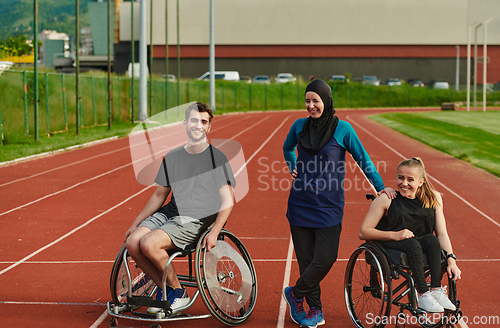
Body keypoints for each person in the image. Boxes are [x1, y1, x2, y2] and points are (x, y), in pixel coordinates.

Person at [282, 79, 396, 327]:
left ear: (327, 100)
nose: (311, 106)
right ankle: (315, 310)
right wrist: (292, 167)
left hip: (329, 206)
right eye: (307, 101)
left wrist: (380, 188)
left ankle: (294, 294)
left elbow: (363, 159)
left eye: (316, 101)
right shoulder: (299, 126)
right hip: (300, 204)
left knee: (325, 258)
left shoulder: (343, 129)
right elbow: (287, 147)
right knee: (306, 261)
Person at [124, 102, 236, 313]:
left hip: (195, 218)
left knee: (148, 244)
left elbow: (228, 199)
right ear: (185, 124)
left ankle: (178, 292)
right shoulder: (173, 157)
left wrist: (215, 231)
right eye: (194, 120)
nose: (198, 125)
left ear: (209, 127)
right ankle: (164, 290)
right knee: (132, 242)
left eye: (203, 122)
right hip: (171, 212)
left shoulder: (216, 158)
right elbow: (159, 195)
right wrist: (136, 222)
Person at [359, 157, 461, 313]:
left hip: (418, 244)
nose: (404, 183)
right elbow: (363, 231)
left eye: (410, 179)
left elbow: (441, 234)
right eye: (400, 178)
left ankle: (436, 290)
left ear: (421, 182)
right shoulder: (387, 199)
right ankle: (423, 295)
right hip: (392, 242)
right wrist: (395, 235)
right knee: (413, 243)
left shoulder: (434, 198)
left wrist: (451, 260)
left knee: (432, 240)